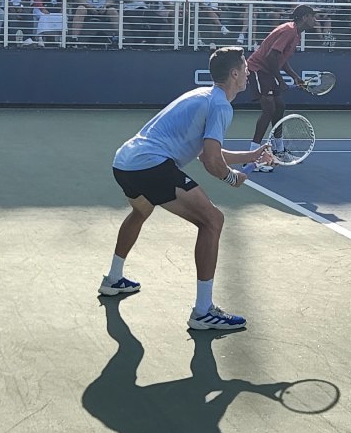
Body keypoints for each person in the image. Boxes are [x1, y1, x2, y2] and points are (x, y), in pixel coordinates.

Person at [99, 46, 272, 331]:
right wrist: (232, 179)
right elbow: (213, 163)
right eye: (245, 68)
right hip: (150, 165)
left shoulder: (204, 95)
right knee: (213, 220)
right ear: (234, 74)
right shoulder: (220, 105)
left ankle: (113, 278)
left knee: (141, 210)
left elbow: (208, 153)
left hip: (125, 162)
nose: (249, 72)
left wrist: (250, 157)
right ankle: (203, 311)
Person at [245, 4, 318, 172]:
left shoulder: (295, 34)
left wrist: (294, 77)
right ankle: (251, 158)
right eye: (313, 16)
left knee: (280, 106)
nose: (315, 20)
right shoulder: (289, 31)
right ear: (305, 17)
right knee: (269, 108)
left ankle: (279, 150)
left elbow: (281, 59)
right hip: (258, 69)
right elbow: (271, 56)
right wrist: (280, 80)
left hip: (268, 71)